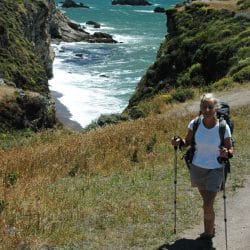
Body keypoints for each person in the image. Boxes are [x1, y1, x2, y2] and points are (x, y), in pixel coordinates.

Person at [171, 93, 233, 240]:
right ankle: (211, 227)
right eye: (204, 107)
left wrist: (227, 153)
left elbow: (230, 149)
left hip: (216, 169)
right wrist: (178, 142)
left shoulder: (223, 127)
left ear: (215, 108)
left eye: (210, 107)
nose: (206, 110)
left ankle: (207, 234)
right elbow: (187, 142)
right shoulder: (195, 123)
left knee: (207, 203)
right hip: (197, 168)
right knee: (207, 203)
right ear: (200, 108)